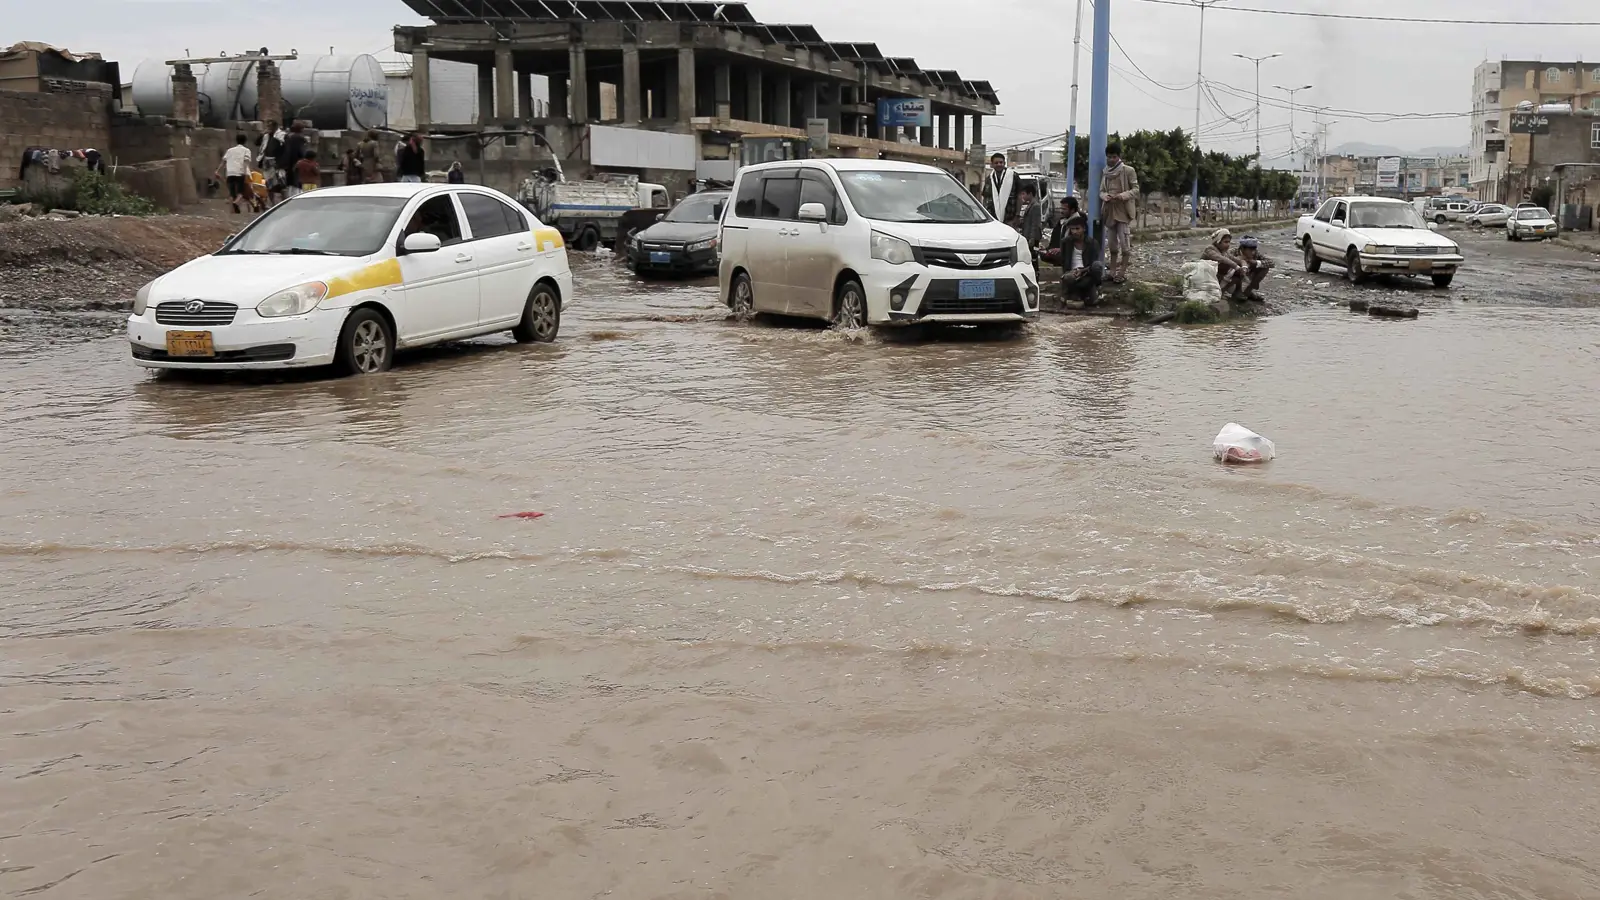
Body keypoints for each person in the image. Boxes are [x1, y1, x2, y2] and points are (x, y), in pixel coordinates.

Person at [1099, 142, 1139, 283]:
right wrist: (1105, 197)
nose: (1111, 160)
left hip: (1123, 212)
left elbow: (1135, 190)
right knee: (1112, 245)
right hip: (1110, 211)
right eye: (1109, 157)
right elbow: (1101, 191)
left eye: (1114, 157)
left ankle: (1121, 273)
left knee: (1124, 244)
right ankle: (1112, 273)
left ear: (1119, 157)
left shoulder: (1128, 171)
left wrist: (1122, 196)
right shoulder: (1105, 172)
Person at [1202, 229, 1273, 302]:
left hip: (1243, 277)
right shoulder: (1210, 249)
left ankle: (1247, 292)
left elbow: (1271, 262)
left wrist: (1249, 264)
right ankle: (1226, 291)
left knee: (1264, 267)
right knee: (1229, 266)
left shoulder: (1225, 252)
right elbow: (1223, 259)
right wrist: (1237, 267)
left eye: (1229, 242)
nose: (1253, 252)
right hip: (1211, 277)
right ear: (1218, 241)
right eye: (1226, 242)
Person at [1057, 214, 1104, 308]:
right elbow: (1063, 261)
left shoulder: (1092, 243)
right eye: (1072, 229)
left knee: (1097, 266)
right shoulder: (1066, 242)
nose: (1074, 232)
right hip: (1072, 273)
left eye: (1077, 228)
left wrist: (1082, 271)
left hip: (1087, 272)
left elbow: (1093, 263)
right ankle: (1070, 293)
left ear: (1084, 229)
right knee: (1068, 278)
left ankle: (1094, 290)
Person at [214, 134, 256, 215]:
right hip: (240, 172)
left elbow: (223, 161)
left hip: (230, 172)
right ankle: (236, 203)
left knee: (232, 192)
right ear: (245, 141)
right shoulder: (246, 150)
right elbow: (246, 162)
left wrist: (217, 170)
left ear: (236, 140)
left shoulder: (230, 150)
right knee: (241, 192)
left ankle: (233, 211)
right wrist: (245, 172)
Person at [1040, 196, 1082, 264]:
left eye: (1064, 209)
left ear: (1072, 210)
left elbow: (1076, 243)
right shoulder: (1063, 222)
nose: (1061, 211)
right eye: (1061, 208)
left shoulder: (1078, 223)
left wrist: (1060, 250)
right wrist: (1048, 249)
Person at [981, 153, 1017, 224]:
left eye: (1001, 162)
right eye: (996, 163)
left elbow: (1019, 196)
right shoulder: (989, 179)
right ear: (992, 164)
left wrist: (1017, 216)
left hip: (1010, 219)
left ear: (1004, 163)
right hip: (993, 219)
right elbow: (986, 198)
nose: (999, 164)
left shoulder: (1013, 176)